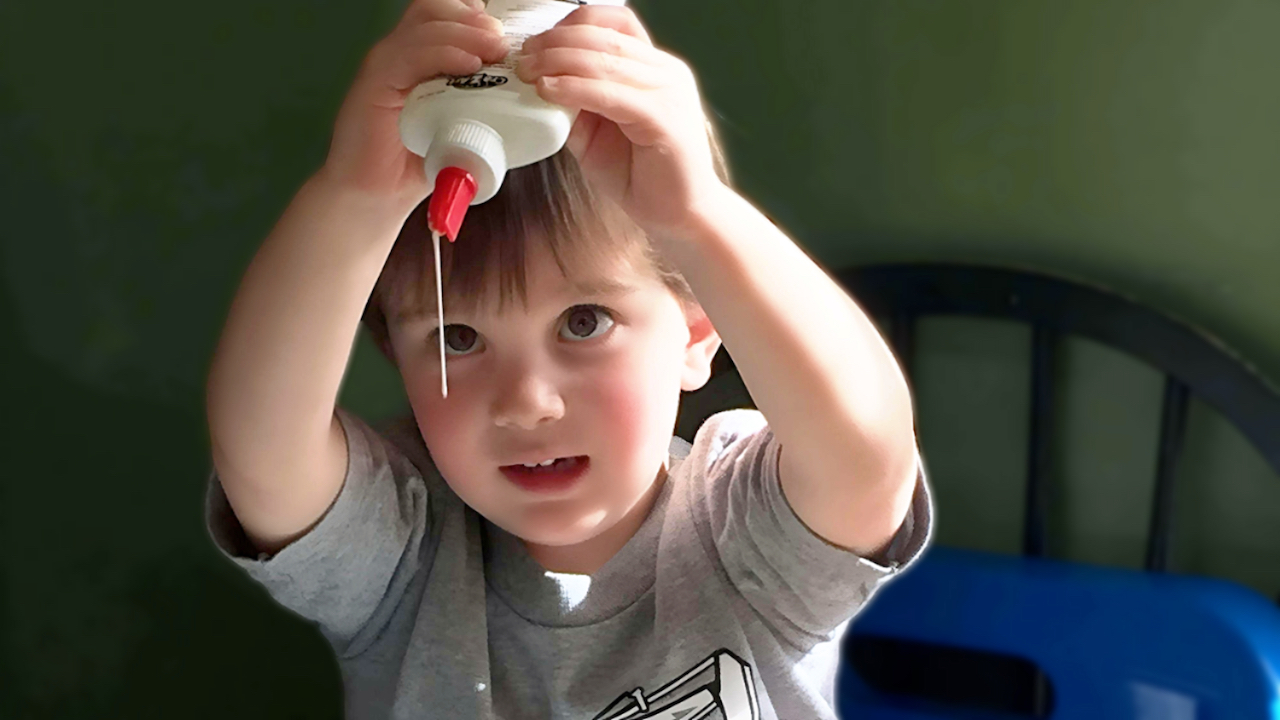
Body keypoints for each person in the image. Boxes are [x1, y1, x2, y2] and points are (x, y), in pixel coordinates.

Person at [203, 0, 934, 717]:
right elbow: (263, 458)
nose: (527, 400)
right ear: (397, 356)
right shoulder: (404, 556)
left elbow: (867, 457)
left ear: (695, 334)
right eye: (458, 338)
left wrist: (696, 215)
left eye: (584, 322)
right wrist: (353, 197)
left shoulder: (742, 538)